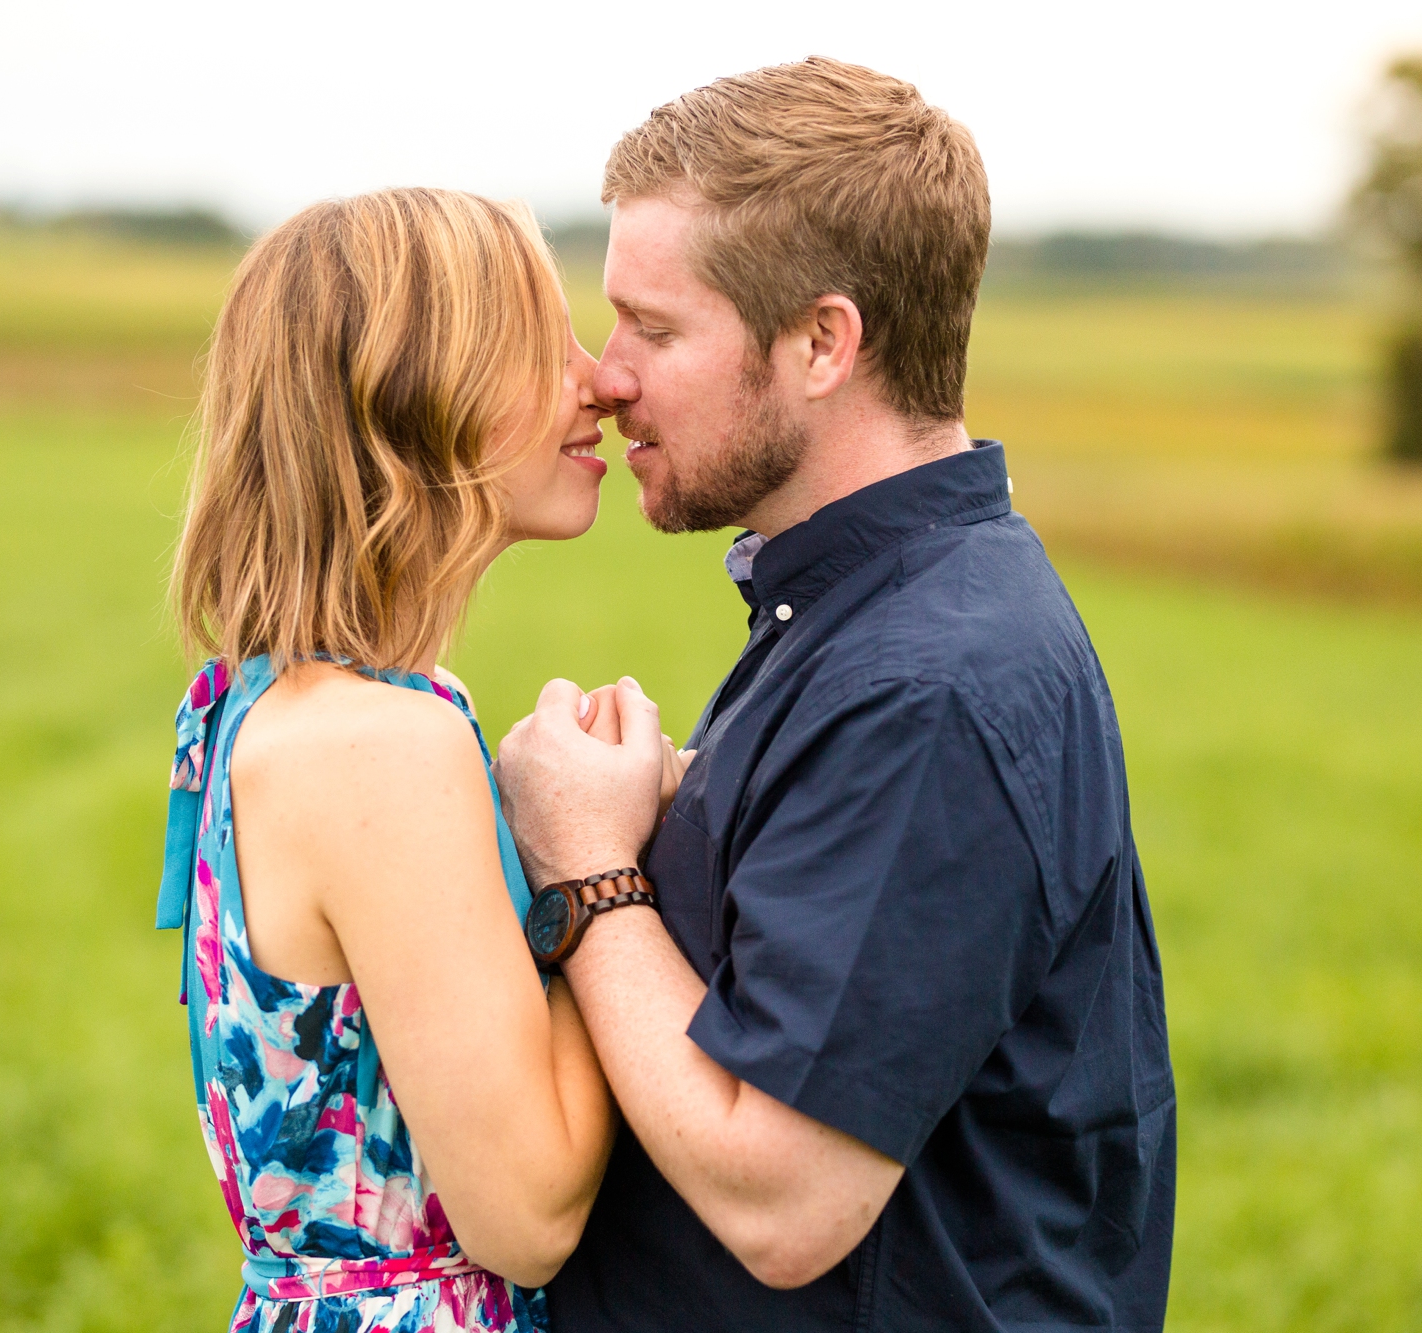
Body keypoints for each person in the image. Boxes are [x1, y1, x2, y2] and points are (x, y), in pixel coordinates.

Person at [494, 58, 1177, 1331]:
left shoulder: (926, 686)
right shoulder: (869, 607)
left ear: (822, 343)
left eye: (653, 325)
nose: (604, 374)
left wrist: (584, 867)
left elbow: (783, 1202)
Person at [154, 188, 681, 1333]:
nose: (598, 381)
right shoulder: (378, 747)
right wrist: (598, 859)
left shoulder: (294, 706)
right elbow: (528, 1213)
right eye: (542, 350)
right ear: (411, 394)